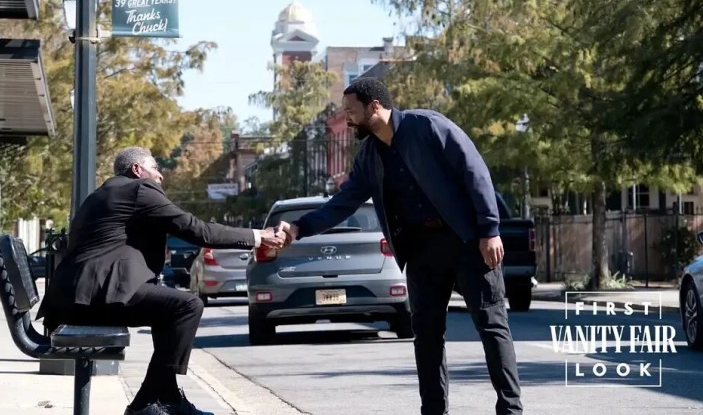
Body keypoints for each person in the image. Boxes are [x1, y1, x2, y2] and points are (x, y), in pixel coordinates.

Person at [276, 78, 523, 415]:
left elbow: (474, 171)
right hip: (421, 251)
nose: (347, 119)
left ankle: (510, 410)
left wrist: (490, 230)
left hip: (467, 241)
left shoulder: (429, 126)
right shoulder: (369, 156)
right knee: (427, 335)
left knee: (491, 324)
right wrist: (298, 227)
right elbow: (343, 203)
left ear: (374, 106)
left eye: (351, 111)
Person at [37, 147, 285, 415]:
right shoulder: (139, 190)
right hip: (92, 299)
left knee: (167, 310)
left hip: (75, 299)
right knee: (187, 306)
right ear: (137, 170)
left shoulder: (106, 192)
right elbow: (197, 230)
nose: (160, 175)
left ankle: (167, 398)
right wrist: (258, 237)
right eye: (155, 168)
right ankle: (145, 403)